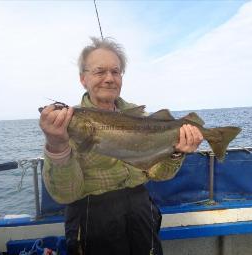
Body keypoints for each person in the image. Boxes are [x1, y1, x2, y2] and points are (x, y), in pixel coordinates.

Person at [39, 37, 203, 255]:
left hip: (141, 213)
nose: (109, 78)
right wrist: (57, 145)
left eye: (115, 72)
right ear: (83, 79)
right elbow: (65, 195)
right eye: (99, 72)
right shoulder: (67, 123)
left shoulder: (143, 117)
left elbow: (158, 174)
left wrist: (176, 153)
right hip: (92, 219)